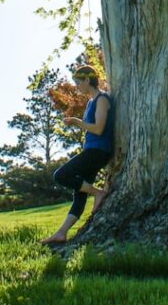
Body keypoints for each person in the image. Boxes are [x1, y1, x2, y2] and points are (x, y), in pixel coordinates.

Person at [40, 65, 114, 245]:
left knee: (61, 175)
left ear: (88, 80)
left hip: (99, 151)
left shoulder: (102, 99)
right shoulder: (90, 102)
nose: (77, 87)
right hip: (91, 150)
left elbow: (98, 128)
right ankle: (61, 233)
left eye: (78, 83)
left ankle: (98, 193)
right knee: (79, 193)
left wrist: (77, 122)